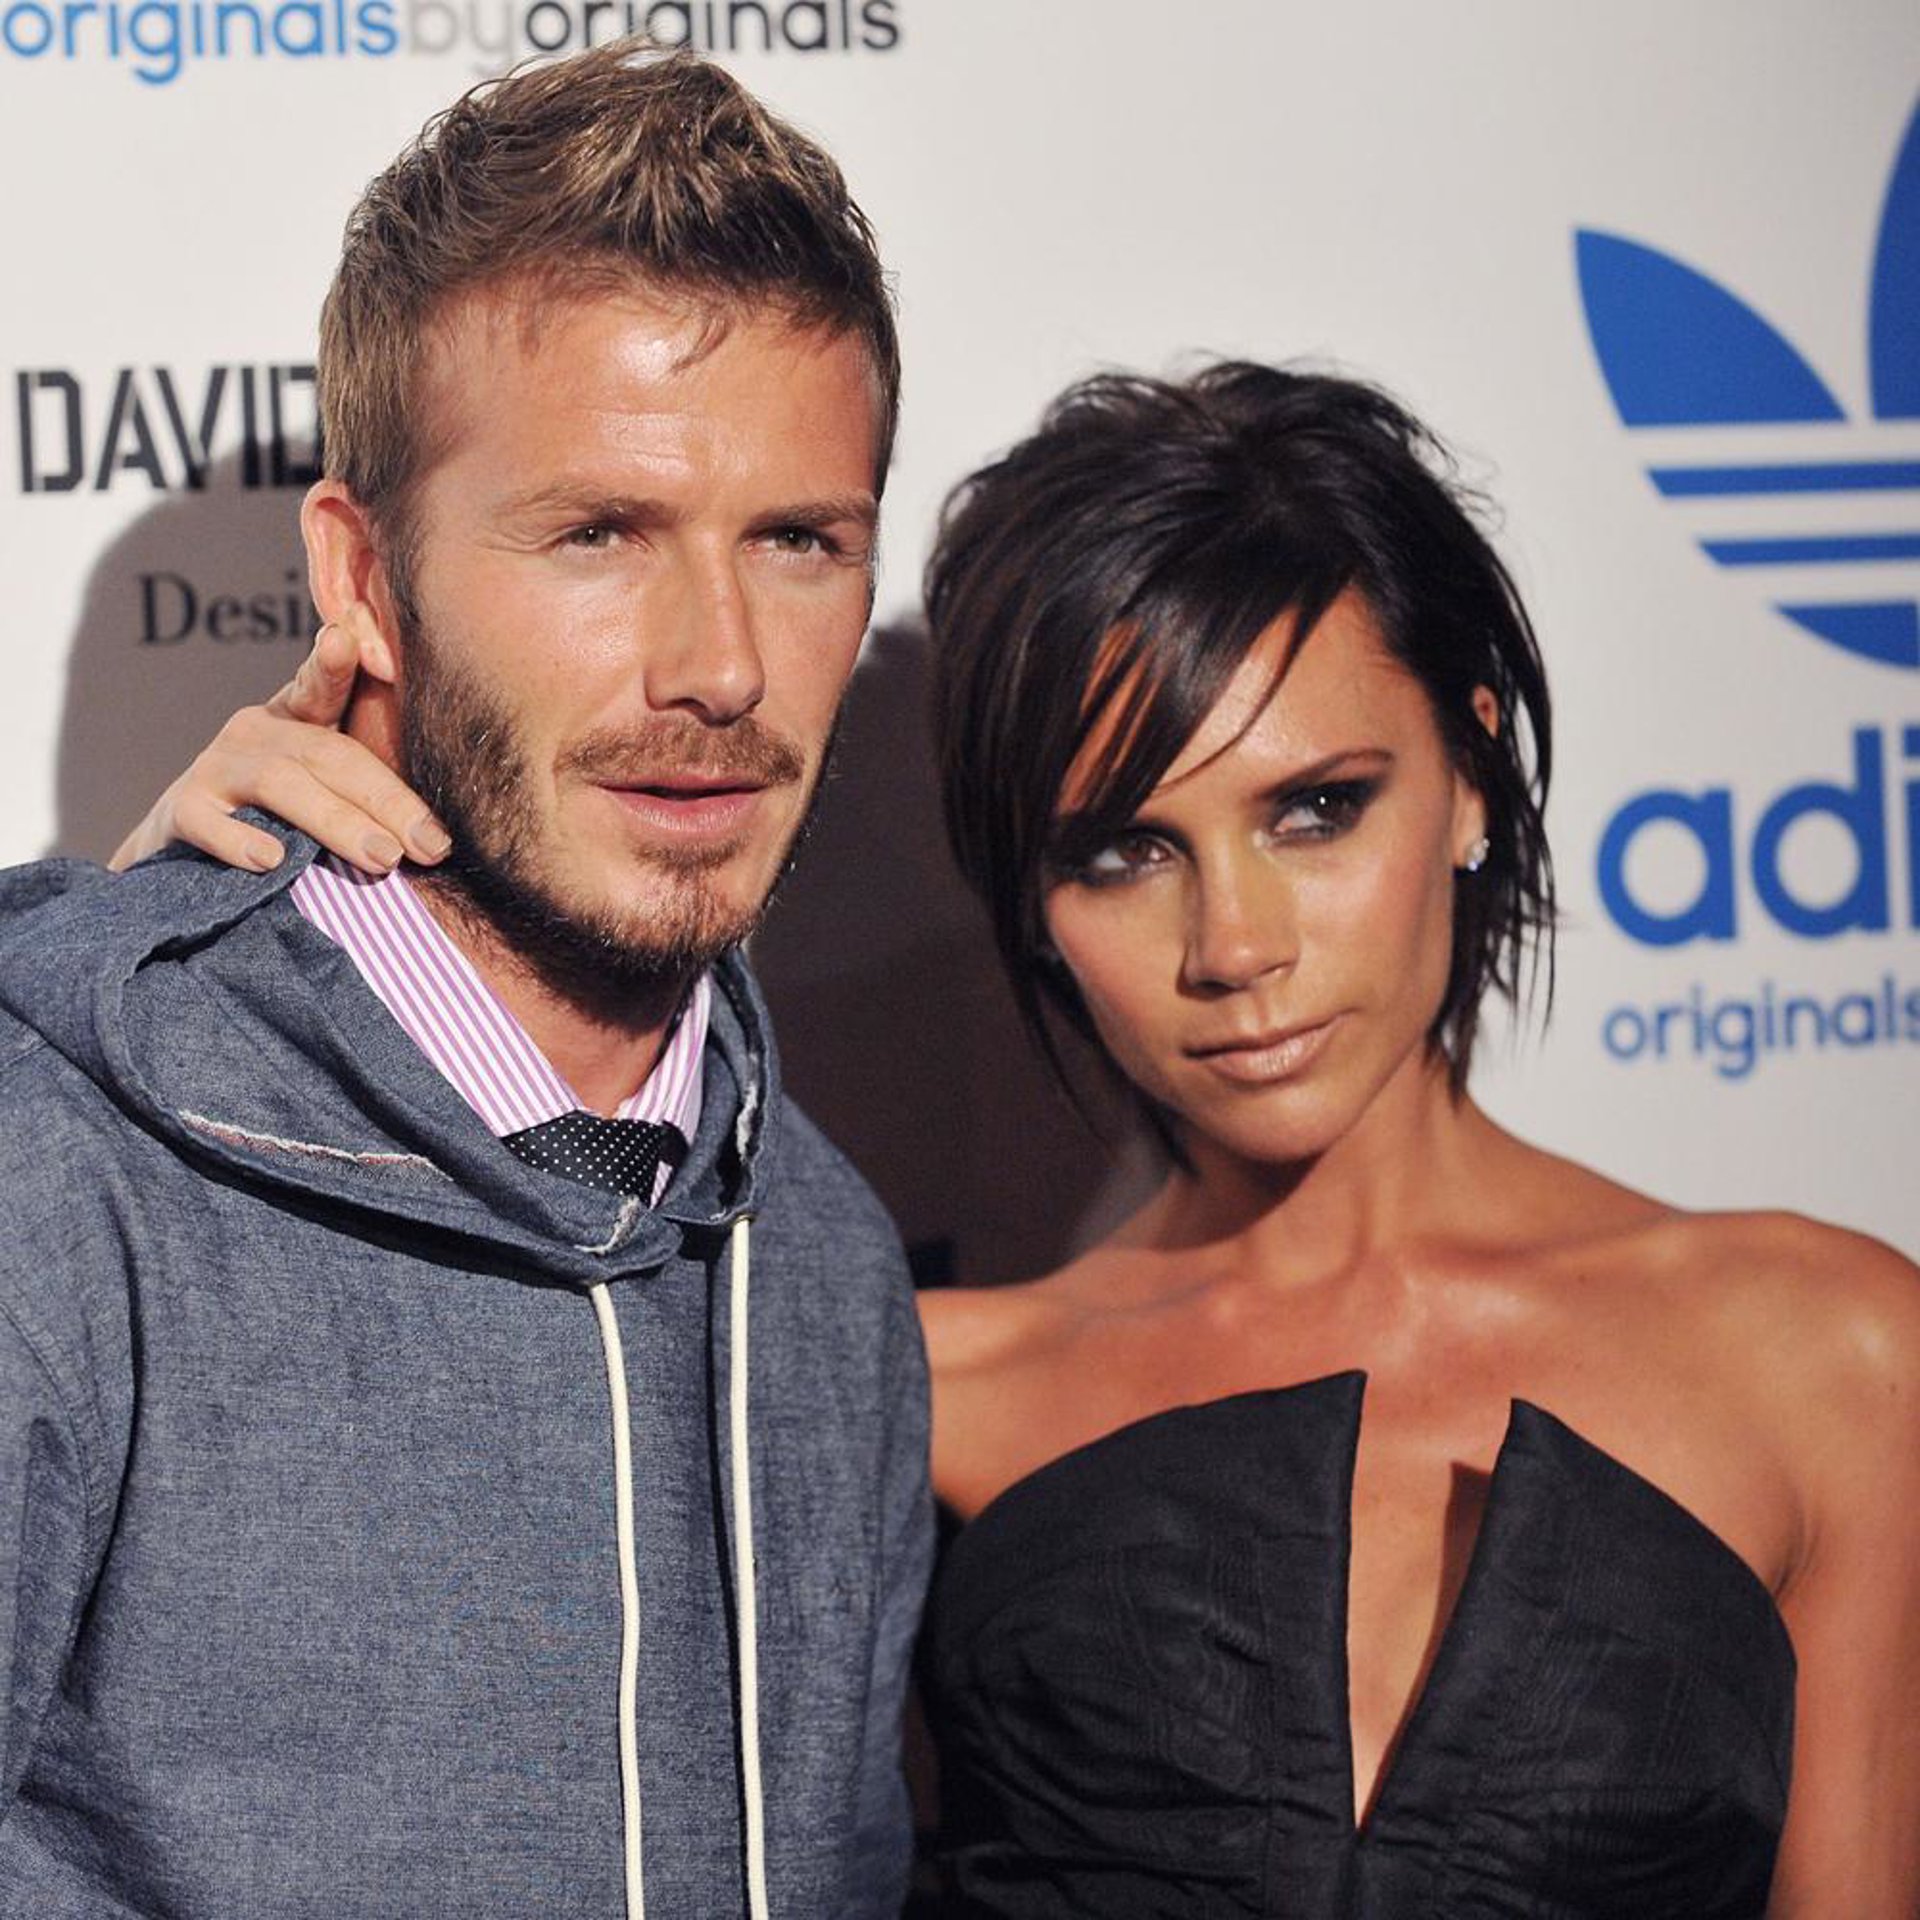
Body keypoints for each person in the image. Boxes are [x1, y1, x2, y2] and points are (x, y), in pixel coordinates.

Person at [119, 366, 1919, 1918]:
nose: (1236, 946)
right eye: (1123, 852)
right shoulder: (901, 1388)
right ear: (1031, 904)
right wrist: (186, 925)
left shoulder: (1828, 1354)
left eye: (1316, 809)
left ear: (1469, 770)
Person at [0, 41, 929, 1919]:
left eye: (798, 542)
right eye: (599, 533)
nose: (721, 666)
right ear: (362, 581)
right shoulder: (56, 1185)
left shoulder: (824, 1264)